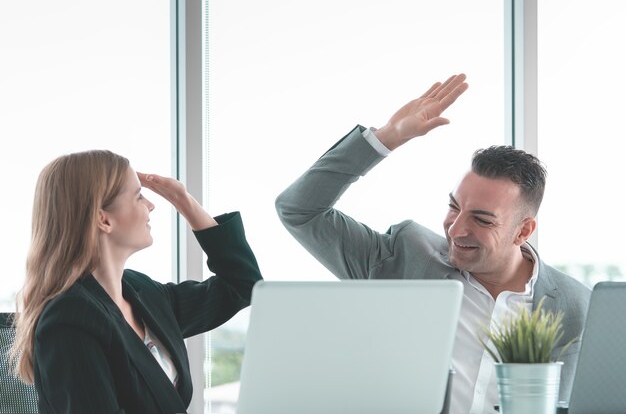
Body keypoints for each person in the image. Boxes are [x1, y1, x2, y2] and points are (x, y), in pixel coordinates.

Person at [275, 73, 590, 414]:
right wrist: (385, 138)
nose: (456, 229)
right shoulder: (403, 257)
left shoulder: (578, 306)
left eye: (482, 220)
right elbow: (299, 210)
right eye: (454, 206)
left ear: (523, 231)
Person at [10, 149, 263, 414]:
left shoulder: (141, 292)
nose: (151, 205)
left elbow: (242, 286)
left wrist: (185, 202)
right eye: (139, 196)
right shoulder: (69, 320)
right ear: (103, 219)